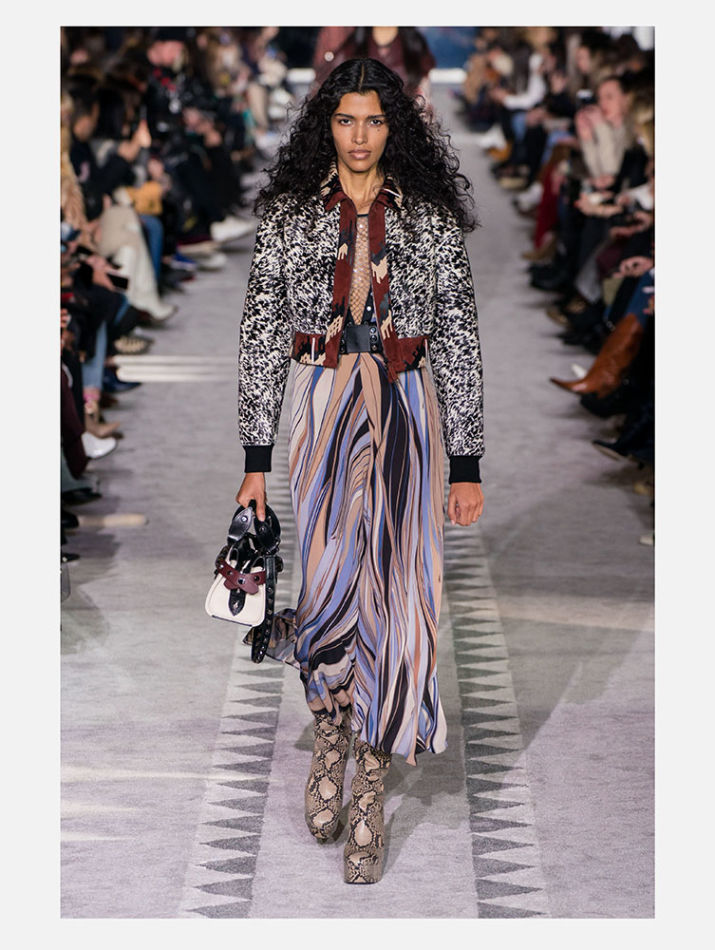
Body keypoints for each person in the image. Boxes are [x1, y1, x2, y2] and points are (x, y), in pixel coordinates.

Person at [235, 58, 485, 884]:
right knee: (332, 583)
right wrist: (254, 461)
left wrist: (466, 461)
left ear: (394, 127)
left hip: (406, 407)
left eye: (374, 120)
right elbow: (260, 337)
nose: (359, 136)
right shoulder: (287, 217)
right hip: (319, 403)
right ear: (325, 126)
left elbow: (458, 339)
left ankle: (371, 780)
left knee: (401, 591)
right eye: (345, 120)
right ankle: (329, 733)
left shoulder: (430, 219)